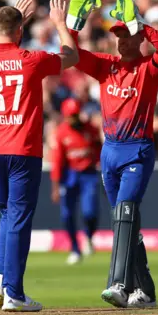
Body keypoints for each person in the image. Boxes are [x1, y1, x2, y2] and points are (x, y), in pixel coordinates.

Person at [66, 0, 158, 309]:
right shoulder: (105, 66)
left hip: (137, 150)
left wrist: (142, 25)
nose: (122, 40)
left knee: (126, 212)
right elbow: (71, 53)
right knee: (125, 221)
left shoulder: (147, 70)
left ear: (139, 36)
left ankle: (118, 284)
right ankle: (146, 293)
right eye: (119, 34)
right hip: (109, 152)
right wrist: (73, 22)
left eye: (127, 33)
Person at [0, 0, 80, 312]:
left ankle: (0, 278)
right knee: (19, 218)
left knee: (7, 214)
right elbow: (70, 57)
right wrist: (60, 23)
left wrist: (4, 28)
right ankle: (14, 294)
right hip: (23, 149)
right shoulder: (31, 58)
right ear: (20, 30)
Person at [50, 98, 101, 265]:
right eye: (70, 116)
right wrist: (56, 186)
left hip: (88, 174)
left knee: (90, 211)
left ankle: (88, 236)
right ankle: (74, 249)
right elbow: (57, 161)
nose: (73, 119)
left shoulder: (91, 130)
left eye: (75, 115)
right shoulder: (61, 133)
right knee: (67, 214)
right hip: (69, 175)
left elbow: (100, 150)